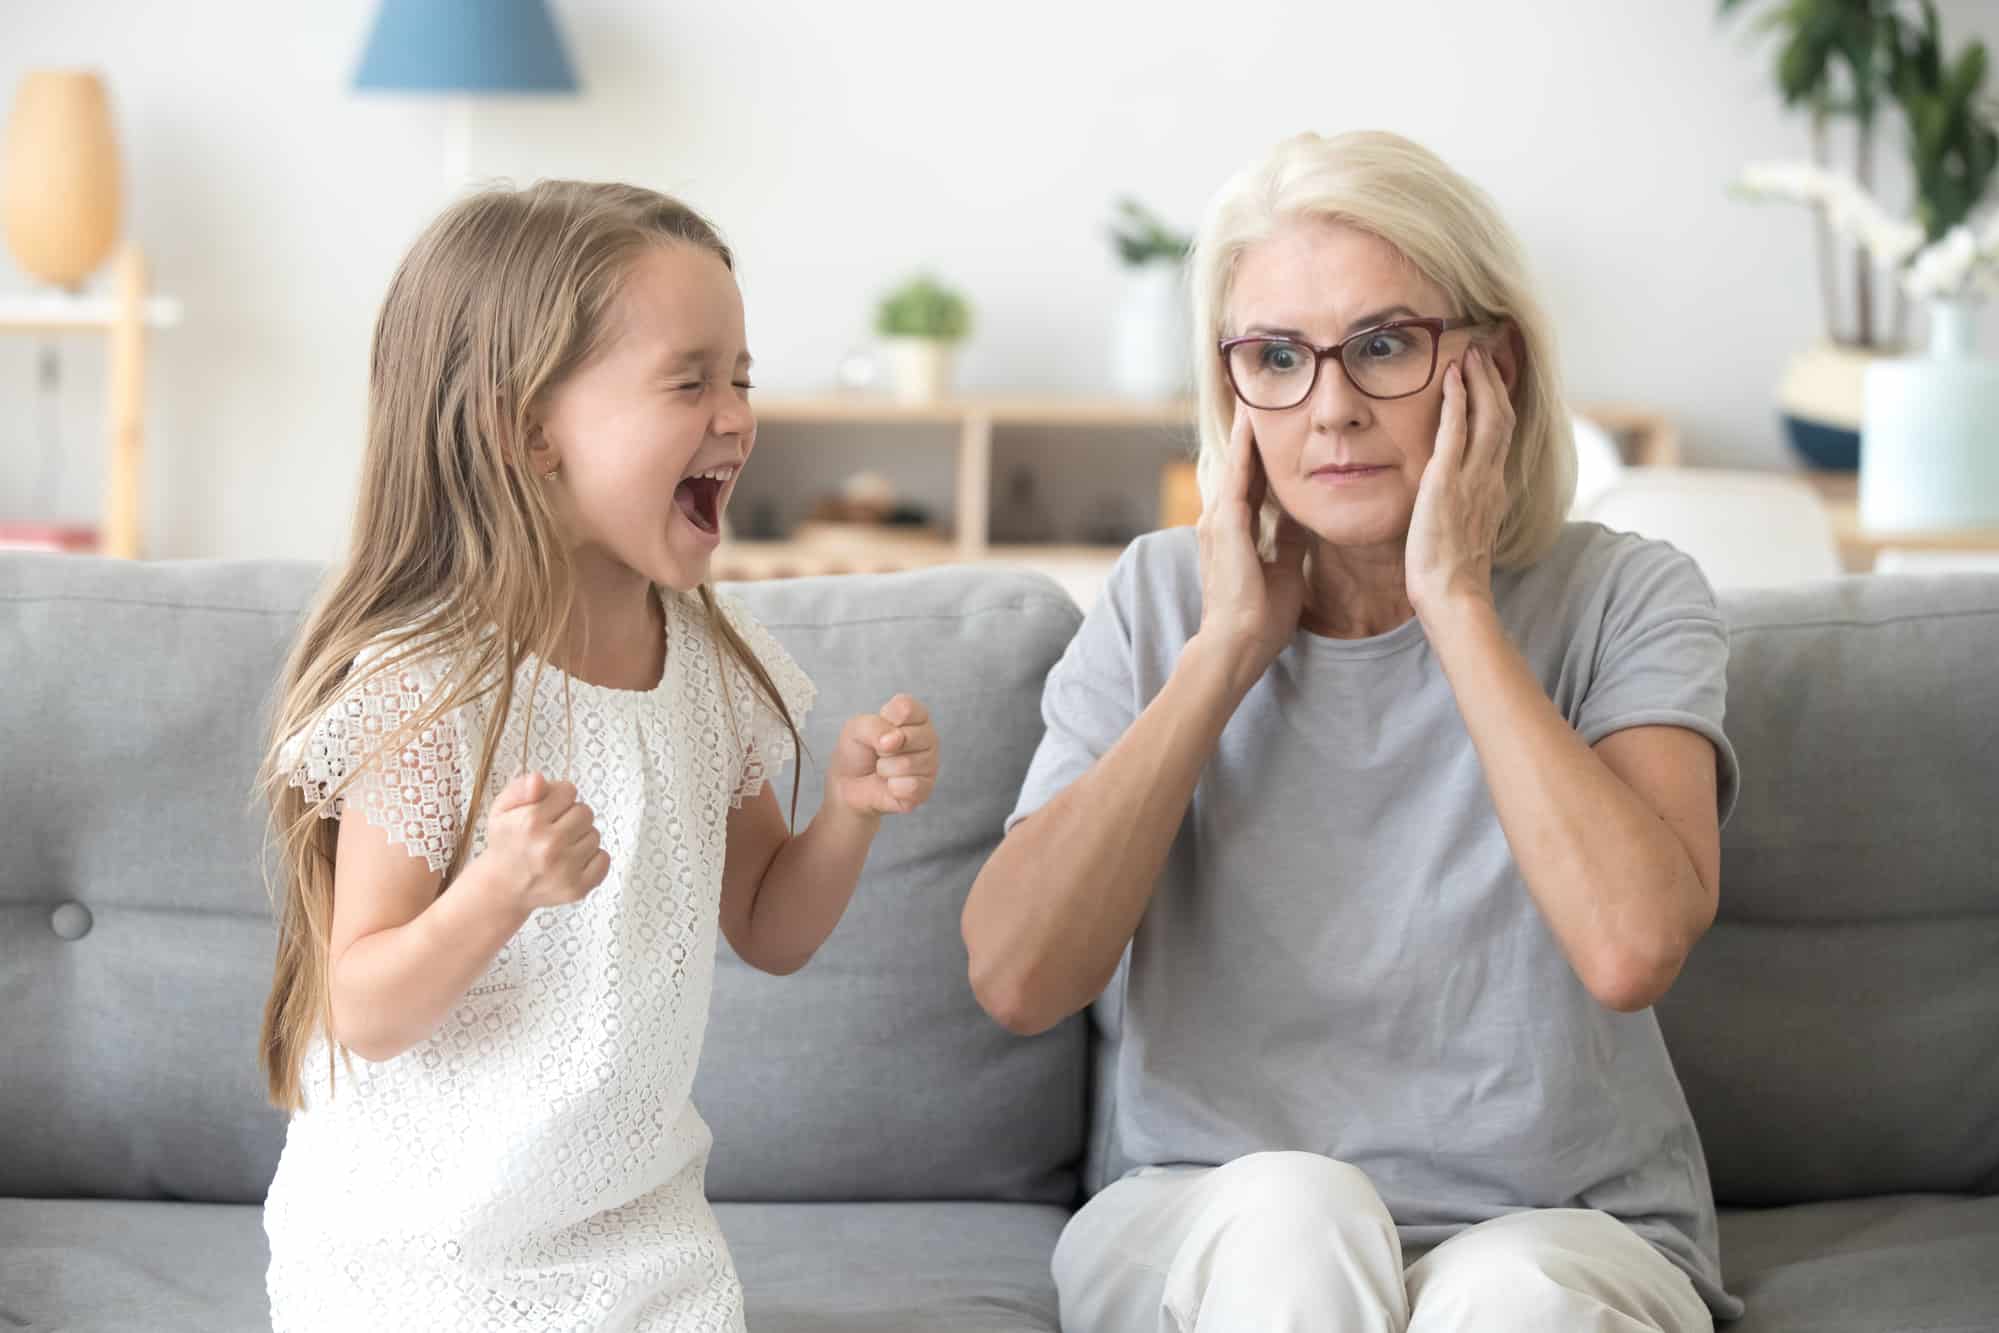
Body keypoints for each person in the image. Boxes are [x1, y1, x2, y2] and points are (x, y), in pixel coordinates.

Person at [963, 131, 1741, 1332]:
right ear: (1233, 390)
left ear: (1497, 365)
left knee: (1510, 1297)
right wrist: (1224, 649)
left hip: (1566, 1225)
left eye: (1382, 346)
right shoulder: (1161, 601)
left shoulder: (1627, 597)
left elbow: (1631, 947)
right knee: (1295, 1212)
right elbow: (1016, 978)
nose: (1328, 409)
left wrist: (1458, 604)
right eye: (1275, 357)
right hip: (1205, 1212)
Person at [256, 181, 940, 1330]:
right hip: (415, 1251)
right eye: (690, 380)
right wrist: (499, 891)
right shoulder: (430, 688)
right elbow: (361, 1007)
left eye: (742, 378)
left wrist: (851, 813)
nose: (734, 416)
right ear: (529, 425)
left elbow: (769, 924)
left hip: (636, 1239)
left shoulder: (715, 666)